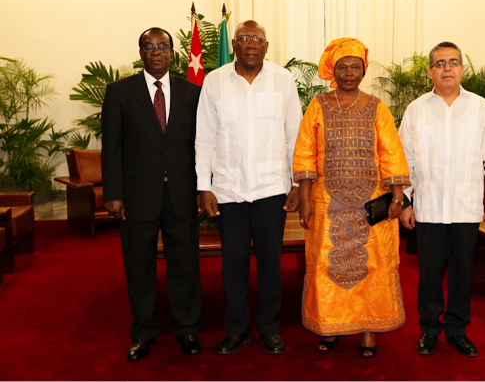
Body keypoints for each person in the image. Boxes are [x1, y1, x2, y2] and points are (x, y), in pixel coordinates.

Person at [293, 38, 411, 359]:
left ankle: (368, 330)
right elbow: (305, 153)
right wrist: (305, 199)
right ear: (333, 71)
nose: (349, 73)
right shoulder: (318, 105)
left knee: (372, 265)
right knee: (324, 265)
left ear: (363, 71)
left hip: (370, 204)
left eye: (355, 67)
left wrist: (397, 198)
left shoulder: (376, 106)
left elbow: (391, 154)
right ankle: (329, 326)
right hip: (326, 203)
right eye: (342, 67)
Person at [195, 20, 303, 355]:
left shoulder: (283, 80)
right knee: (234, 265)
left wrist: (296, 183)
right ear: (234, 45)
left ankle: (269, 329)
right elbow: (204, 138)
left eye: (257, 39)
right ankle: (237, 330)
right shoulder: (214, 82)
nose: (251, 44)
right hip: (229, 190)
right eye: (244, 38)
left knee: (271, 264)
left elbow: (294, 135)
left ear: (266, 46)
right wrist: (204, 186)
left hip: (271, 189)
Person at [398, 41, 485, 358]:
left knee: (462, 272)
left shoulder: (481, 108)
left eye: (453, 62)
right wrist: (405, 201)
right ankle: (429, 329)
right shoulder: (417, 109)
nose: (447, 68)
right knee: (429, 274)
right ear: (430, 71)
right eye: (440, 63)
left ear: (462, 68)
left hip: (466, 207)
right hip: (429, 208)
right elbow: (404, 160)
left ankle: (457, 330)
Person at [101, 27, 203, 361]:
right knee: (139, 268)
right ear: (141, 53)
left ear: (172, 53)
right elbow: (111, 147)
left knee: (185, 266)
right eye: (149, 46)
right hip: (136, 196)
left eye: (162, 46)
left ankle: (186, 329)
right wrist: (113, 193)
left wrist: (203, 188)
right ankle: (143, 332)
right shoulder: (119, 92)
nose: (156, 52)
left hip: (182, 194)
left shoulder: (193, 92)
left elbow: (202, 145)